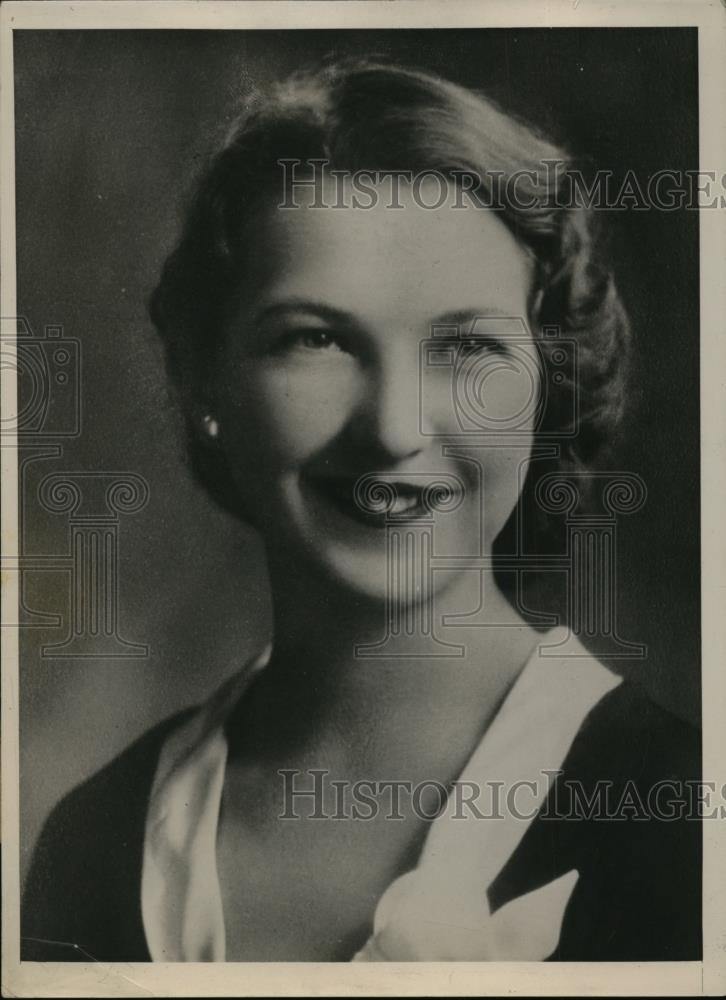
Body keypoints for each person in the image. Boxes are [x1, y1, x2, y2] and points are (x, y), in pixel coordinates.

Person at [22, 57, 700, 963]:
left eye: (464, 346)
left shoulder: (680, 817)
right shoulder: (93, 845)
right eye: (317, 338)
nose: (392, 429)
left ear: (551, 381)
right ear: (201, 379)